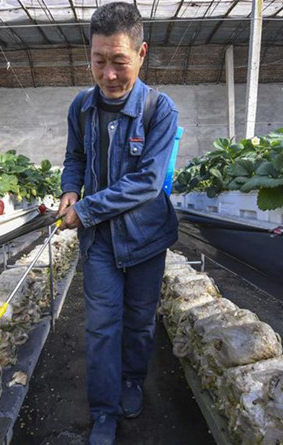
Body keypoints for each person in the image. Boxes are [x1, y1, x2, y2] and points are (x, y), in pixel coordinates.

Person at [57, 3, 179, 444]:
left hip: (147, 238)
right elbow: (74, 159)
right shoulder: (81, 107)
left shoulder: (160, 110)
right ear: (89, 55)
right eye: (99, 61)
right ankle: (103, 409)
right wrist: (71, 191)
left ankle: (132, 380)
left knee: (140, 319)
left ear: (141, 53)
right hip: (101, 244)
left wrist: (85, 209)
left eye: (119, 62)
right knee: (102, 324)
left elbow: (147, 183)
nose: (108, 74)